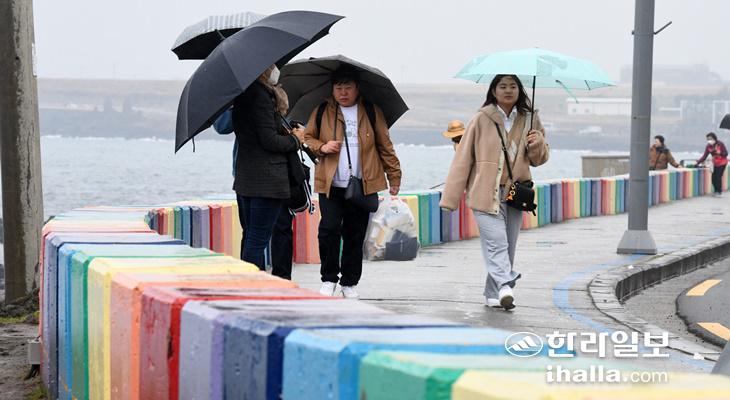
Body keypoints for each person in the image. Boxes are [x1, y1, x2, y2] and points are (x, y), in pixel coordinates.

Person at [440, 74, 549, 310]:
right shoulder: (481, 119)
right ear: (493, 91)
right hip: (484, 192)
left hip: (515, 194)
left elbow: (539, 160)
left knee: (508, 245)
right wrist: (450, 199)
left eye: (513, 86)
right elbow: (463, 159)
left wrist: (538, 141)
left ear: (519, 90)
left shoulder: (530, 119)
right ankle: (505, 286)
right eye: (503, 86)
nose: (508, 90)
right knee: (497, 243)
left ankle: (493, 293)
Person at [303, 66, 402, 299]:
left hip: (363, 185)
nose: (343, 92)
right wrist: (322, 147)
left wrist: (394, 176)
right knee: (328, 230)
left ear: (357, 89)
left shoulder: (371, 111)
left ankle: (349, 282)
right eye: (339, 88)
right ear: (332, 90)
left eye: (348, 87)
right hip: (331, 184)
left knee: (354, 234)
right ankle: (328, 279)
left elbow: (385, 145)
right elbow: (307, 137)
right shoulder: (322, 110)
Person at [232, 64, 304, 270]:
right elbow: (269, 141)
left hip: (246, 178)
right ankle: (253, 284)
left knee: (250, 236)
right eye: (272, 66)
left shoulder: (241, 95)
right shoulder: (261, 96)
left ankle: (249, 281)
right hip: (266, 182)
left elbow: (257, 134)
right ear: (263, 70)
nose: (275, 69)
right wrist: (296, 140)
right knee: (257, 240)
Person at [214, 106, 299, 279]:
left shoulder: (282, 96)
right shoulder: (242, 97)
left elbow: (290, 126)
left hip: (278, 171)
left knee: (280, 228)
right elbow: (222, 126)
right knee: (251, 233)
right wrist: (233, 106)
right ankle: (255, 280)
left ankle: (280, 280)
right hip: (249, 174)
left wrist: (292, 131)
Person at [697, 132, 728, 197]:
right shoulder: (708, 146)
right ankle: (716, 191)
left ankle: (719, 192)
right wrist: (697, 163)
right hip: (715, 163)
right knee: (713, 178)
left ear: (714, 138)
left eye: (710, 139)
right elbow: (704, 156)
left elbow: (726, 154)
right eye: (708, 139)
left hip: (722, 162)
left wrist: (720, 153)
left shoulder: (720, 144)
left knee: (718, 177)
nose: (709, 140)